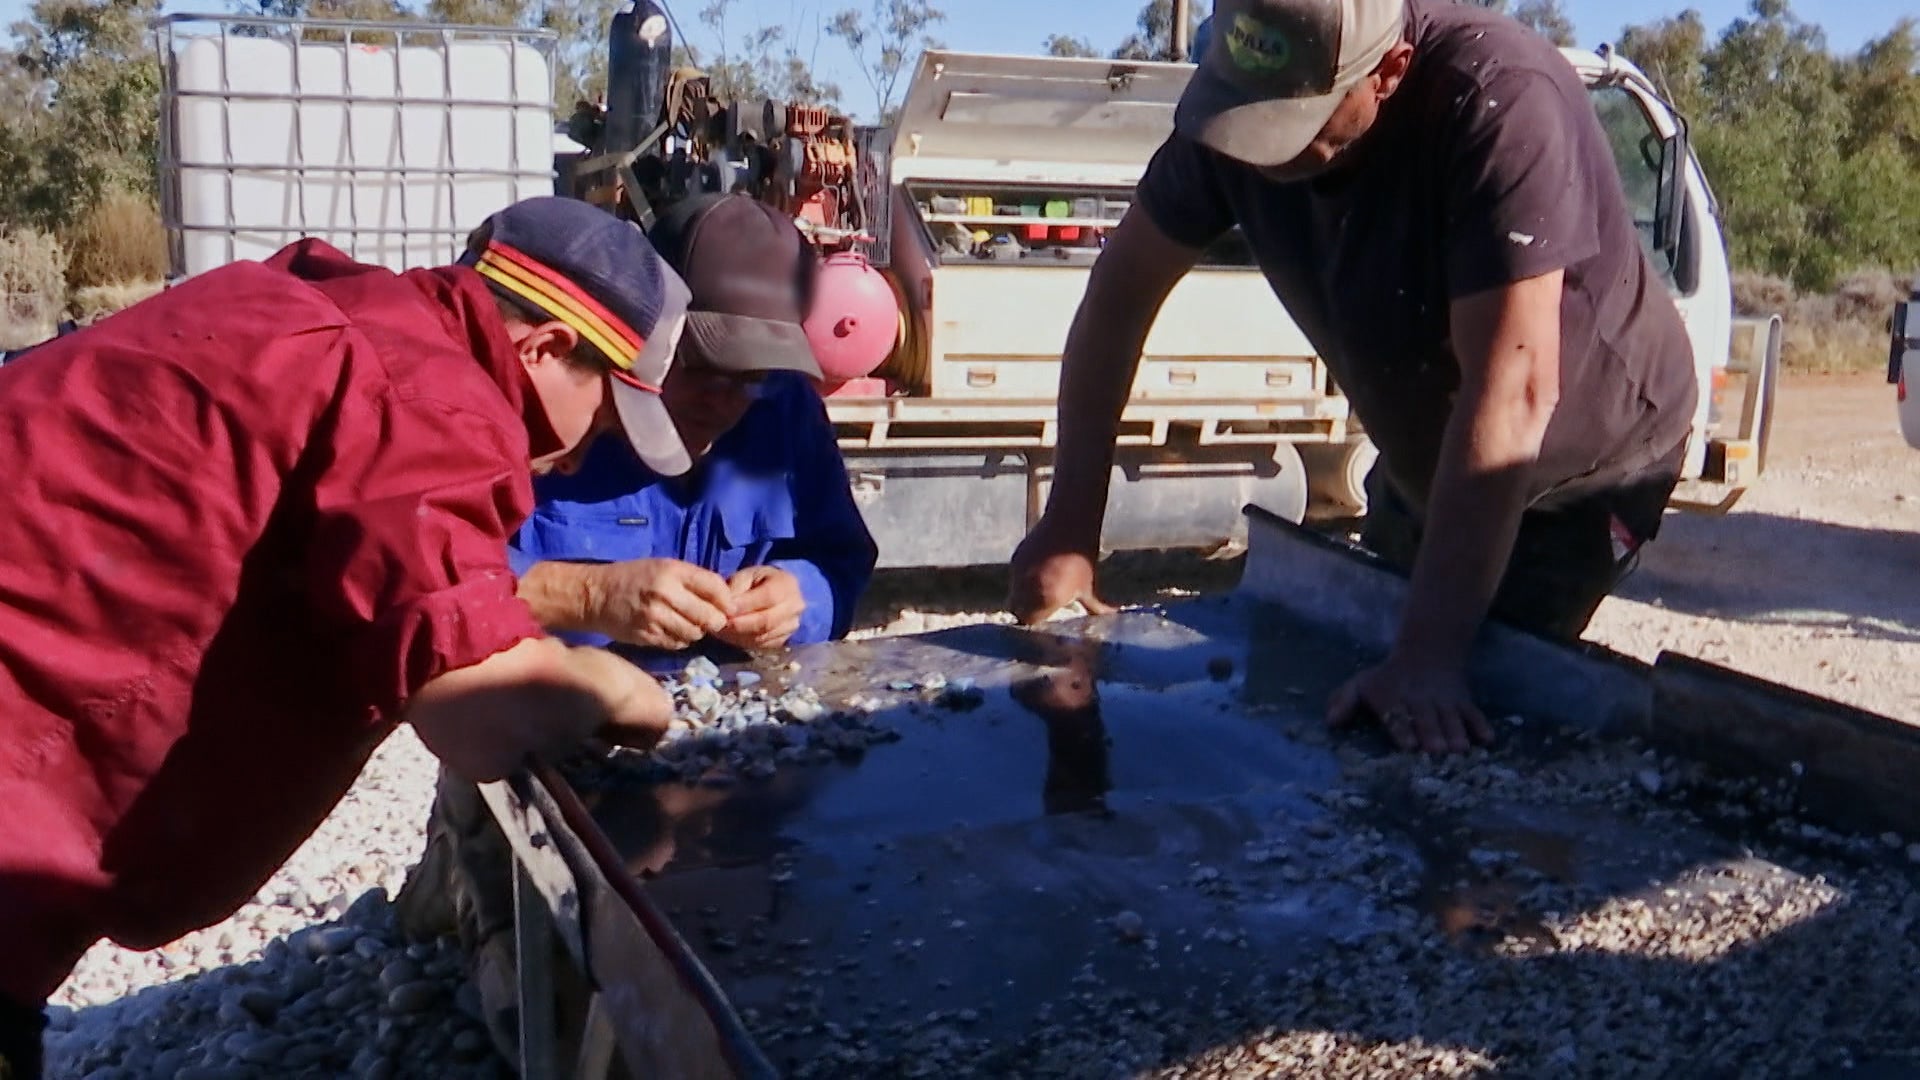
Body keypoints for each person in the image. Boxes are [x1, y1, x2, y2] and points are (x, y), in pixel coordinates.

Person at [0, 196, 693, 1079]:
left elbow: (361, 574)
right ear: (544, 348)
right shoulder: (431, 396)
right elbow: (484, 709)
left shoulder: (324, 316)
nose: (587, 453)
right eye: (601, 417)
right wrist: (619, 691)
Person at [1008, 0, 1700, 757]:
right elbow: (1118, 299)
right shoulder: (1236, 109)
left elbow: (1515, 393)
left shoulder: (1498, 100)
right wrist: (1071, 521)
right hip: (1433, 455)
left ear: (1390, 72)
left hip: (1579, 468)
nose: (1261, 154)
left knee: (1476, 718)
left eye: (1293, 125)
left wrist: (1431, 658)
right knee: (1364, 662)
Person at [508, 192, 878, 658]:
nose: (724, 397)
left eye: (751, 376)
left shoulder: (787, 409)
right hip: (569, 715)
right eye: (702, 366)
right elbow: (434, 579)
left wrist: (802, 597)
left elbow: (843, 559)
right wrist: (587, 595)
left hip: (738, 719)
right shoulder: (562, 404)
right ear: (645, 331)